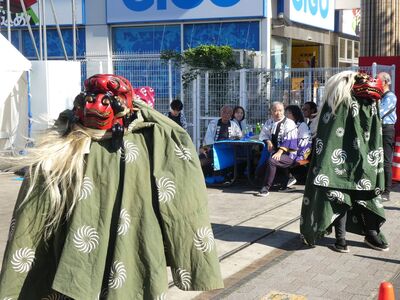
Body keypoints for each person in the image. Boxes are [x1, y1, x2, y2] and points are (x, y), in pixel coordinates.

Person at [0, 74, 224, 299]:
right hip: (82, 240)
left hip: (131, 238)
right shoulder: (66, 142)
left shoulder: (148, 138)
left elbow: (180, 197)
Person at [300, 71, 388, 253]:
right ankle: (373, 235)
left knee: (339, 194)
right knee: (367, 193)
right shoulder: (370, 101)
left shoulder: (336, 101)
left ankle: (341, 242)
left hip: (338, 161)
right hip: (367, 160)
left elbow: (325, 135)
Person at [256, 102, 298, 197]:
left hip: (289, 154)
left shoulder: (289, 123)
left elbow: (290, 140)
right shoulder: (269, 122)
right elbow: (263, 134)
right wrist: (268, 141)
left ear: (284, 111)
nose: (278, 113)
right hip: (275, 152)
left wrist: (280, 152)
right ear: (271, 111)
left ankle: (265, 188)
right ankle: (283, 181)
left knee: (272, 161)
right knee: (261, 166)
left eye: (280, 110)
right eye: (275, 110)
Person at [199, 105, 242, 176]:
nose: (225, 114)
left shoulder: (234, 125)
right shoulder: (213, 123)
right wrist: (206, 147)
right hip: (214, 148)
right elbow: (208, 137)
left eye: (228, 113)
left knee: (206, 158)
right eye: (224, 112)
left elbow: (240, 136)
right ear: (220, 113)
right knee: (202, 156)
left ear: (231, 115)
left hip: (228, 149)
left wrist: (235, 137)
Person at [377, 72, 397, 201]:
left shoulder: (390, 97)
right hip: (379, 128)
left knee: (386, 161)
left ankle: (387, 191)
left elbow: (380, 112)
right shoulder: (380, 96)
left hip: (387, 129)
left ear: (384, 82)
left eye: (378, 80)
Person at [284, 105, 312, 187]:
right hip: (292, 149)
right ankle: (289, 176)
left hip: (303, 150)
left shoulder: (301, 125)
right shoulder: (288, 125)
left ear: (294, 114)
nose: (285, 115)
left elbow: (304, 143)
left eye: (288, 113)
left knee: (284, 157)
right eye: (285, 113)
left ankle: (292, 176)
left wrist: (293, 151)